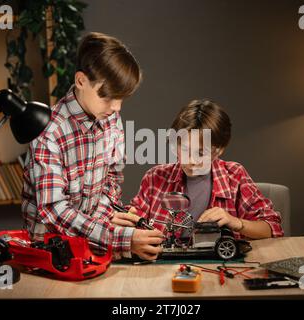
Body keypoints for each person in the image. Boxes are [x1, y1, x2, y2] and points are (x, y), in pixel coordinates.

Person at [21, 32, 164, 261]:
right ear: (81, 81)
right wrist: (121, 239)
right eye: (108, 98)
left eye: (121, 99)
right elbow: (53, 211)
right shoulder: (48, 133)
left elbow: (113, 177)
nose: (116, 107)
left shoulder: (110, 117)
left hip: (95, 246)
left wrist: (107, 214)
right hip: (53, 254)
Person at [114, 99, 284, 240]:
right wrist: (130, 225)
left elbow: (273, 228)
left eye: (202, 153)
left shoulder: (235, 176)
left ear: (219, 149)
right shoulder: (155, 178)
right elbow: (134, 220)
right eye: (185, 149)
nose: (192, 161)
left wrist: (235, 222)